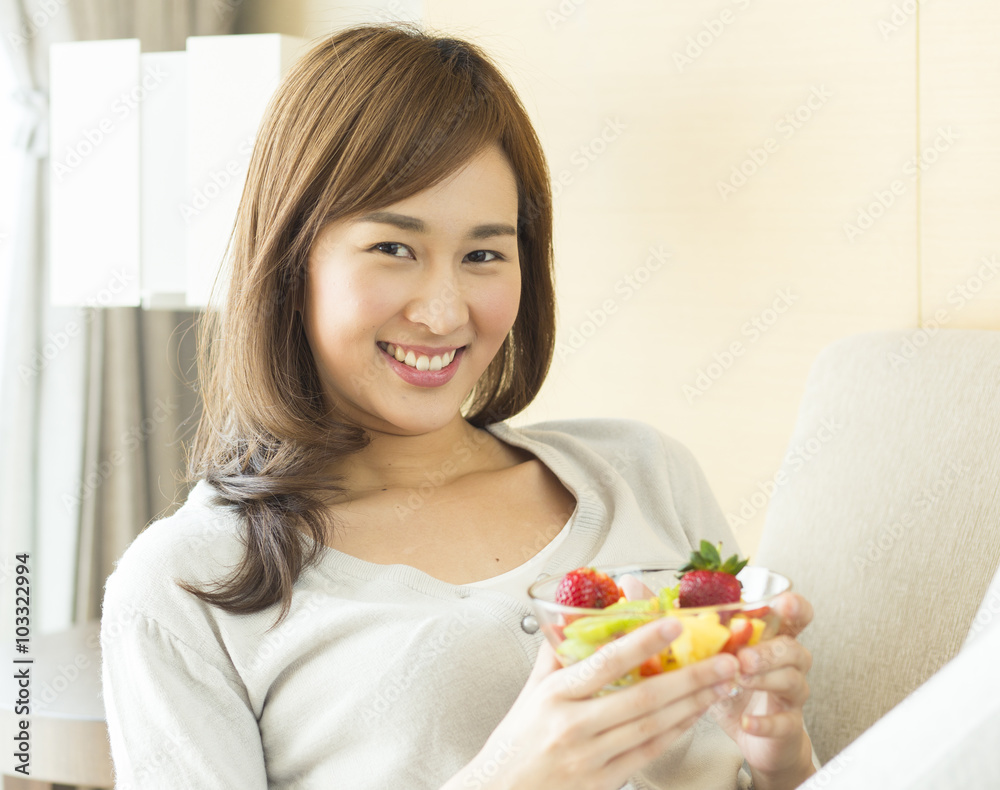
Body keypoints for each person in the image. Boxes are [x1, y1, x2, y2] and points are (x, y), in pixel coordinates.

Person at [100, 21, 817, 790]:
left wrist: (787, 763)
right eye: (394, 248)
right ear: (291, 259)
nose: (443, 313)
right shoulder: (186, 585)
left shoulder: (645, 472)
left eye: (483, 255)